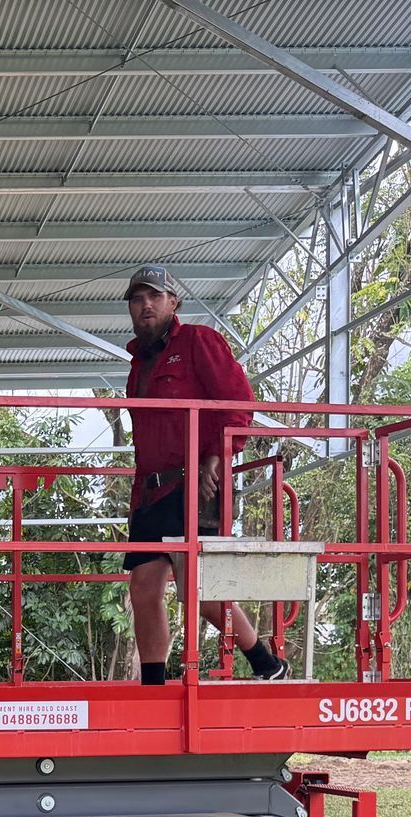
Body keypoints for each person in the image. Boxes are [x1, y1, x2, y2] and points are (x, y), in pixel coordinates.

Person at [121, 264, 289, 684]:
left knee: (196, 586)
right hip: (151, 490)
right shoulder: (138, 364)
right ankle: (154, 683)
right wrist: (138, 494)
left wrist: (217, 456)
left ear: (173, 302)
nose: (145, 306)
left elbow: (238, 403)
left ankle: (265, 661)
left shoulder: (198, 341)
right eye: (137, 299)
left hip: (194, 483)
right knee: (143, 586)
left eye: (154, 297)